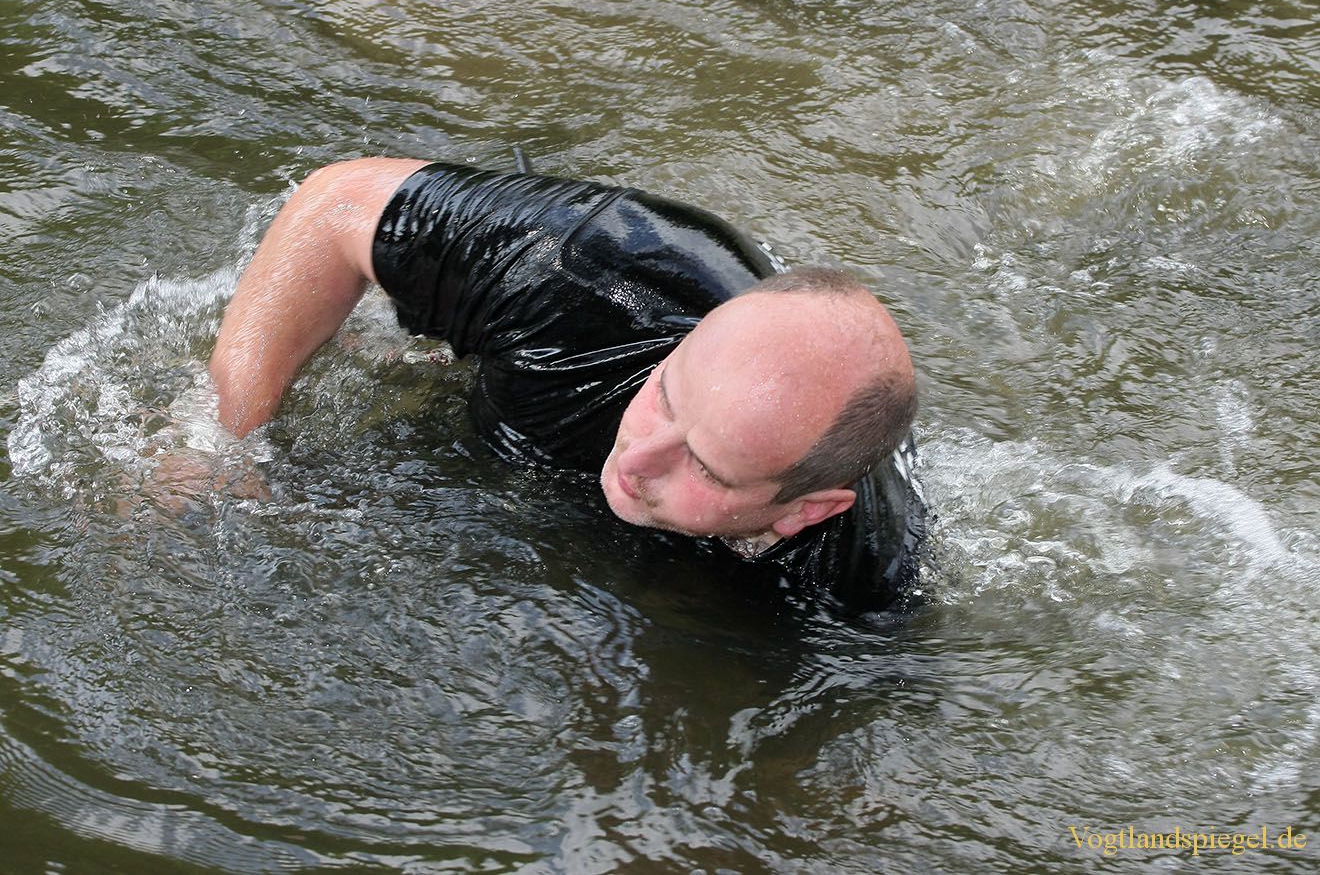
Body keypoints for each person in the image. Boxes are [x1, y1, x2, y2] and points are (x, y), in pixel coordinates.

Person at [210, 157, 928, 612]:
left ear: (804, 511)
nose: (638, 458)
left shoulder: (852, 575)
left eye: (707, 468)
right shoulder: (590, 272)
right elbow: (335, 205)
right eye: (665, 398)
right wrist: (225, 437)